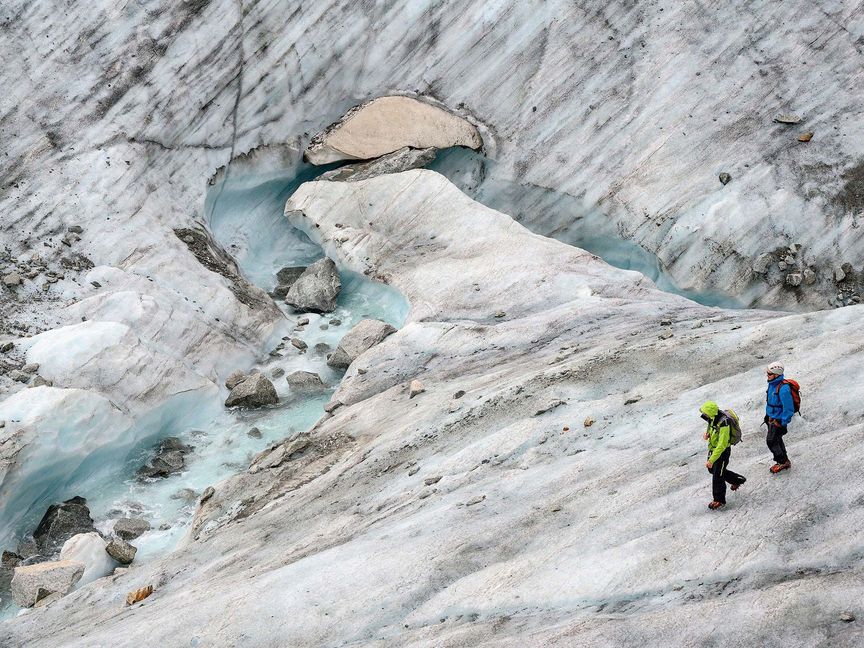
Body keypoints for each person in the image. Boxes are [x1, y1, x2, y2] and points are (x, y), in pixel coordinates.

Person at [700, 401, 746, 510]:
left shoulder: (724, 423)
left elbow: (722, 444)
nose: (704, 415)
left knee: (717, 475)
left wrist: (711, 460)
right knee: (713, 471)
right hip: (713, 449)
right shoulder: (712, 418)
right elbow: (710, 426)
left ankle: (719, 500)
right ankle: (737, 480)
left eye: (705, 413)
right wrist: (708, 433)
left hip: (722, 452)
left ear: (710, 412)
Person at [765, 361, 793, 473]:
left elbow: (788, 408)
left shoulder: (783, 389)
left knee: (771, 441)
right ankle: (783, 459)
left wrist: (783, 422)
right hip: (771, 417)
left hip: (778, 420)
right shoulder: (772, 384)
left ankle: (783, 462)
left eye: (769, 374)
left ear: (777, 374)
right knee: (776, 440)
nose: (767, 376)